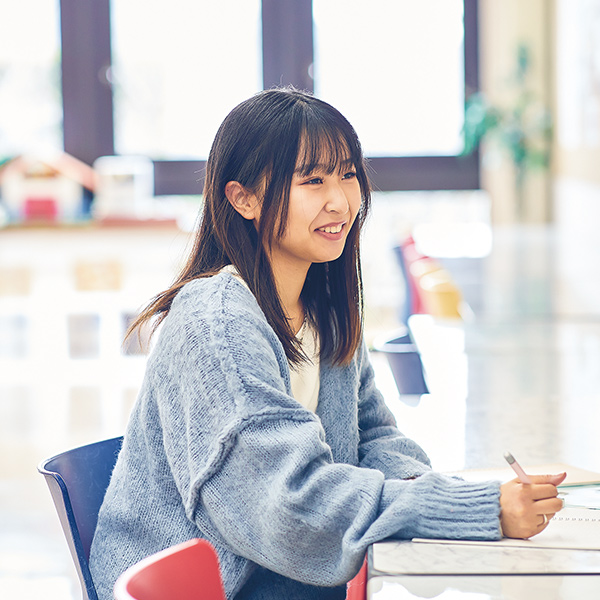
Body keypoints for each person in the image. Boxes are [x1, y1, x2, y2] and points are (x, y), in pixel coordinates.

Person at [89, 87, 565, 600]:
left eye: (347, 174)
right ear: (242, 198)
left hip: (279, 576)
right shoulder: (216, 321)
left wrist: (419, 492)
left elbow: (373, 436)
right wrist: (474, 510)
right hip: (203, 586)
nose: (340, 200)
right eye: (312, 180)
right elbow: (287, 507)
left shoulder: (321, 304)